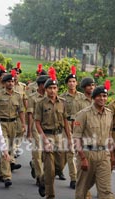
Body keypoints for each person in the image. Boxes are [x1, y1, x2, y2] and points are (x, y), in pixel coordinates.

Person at [73, 81, 115, 199]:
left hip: (104, 155)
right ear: (93, 98)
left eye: (105, 96)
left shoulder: (109, 114)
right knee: (82, 188)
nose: (102, 98)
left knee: (106, 190)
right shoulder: (83, 114)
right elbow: (76, 138)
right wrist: (82, 158)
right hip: (87, 154)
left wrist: (112, 155)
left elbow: (109, 136)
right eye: (99, 96)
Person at [34, 67, 71, 198]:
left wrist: (70, 139)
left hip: (60, 136)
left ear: (57, 89)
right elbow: (37, 122)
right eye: (50, 88)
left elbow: (66, 121)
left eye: (55, 88)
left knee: (60, 166)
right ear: (46, 89)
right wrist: (44, 139)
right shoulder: (40, 103)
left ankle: (43, 180)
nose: (52, 91)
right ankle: (50, 195)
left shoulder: (63, 103)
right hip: (47, 135)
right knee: (50, 169)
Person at [0, 73, 26, 187]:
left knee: (10, 149)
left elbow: (21, 111)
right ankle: (7, 176)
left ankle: (0, 172)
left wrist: (23, 124)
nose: (11, 83)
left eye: (12, 81)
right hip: (1, 124)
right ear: (4, 83)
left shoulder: (18, 95)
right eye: (8, 81)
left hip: (13, 124)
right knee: (4, 148)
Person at [59, 66, 85, 188]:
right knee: (70, 151)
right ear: (66, 84)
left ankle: (59, 168)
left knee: (78, 151)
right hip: (67, 124)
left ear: (77, 83)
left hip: (79, 125)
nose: (72, 83)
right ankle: (74, 178)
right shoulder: (62, 97)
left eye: (74, 81)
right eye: (69, 81)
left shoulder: (82, 97)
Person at [27, 75, 49, 186]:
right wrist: (29, 131)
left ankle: (36, 168)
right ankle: (40, 177)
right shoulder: (32, 97)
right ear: (41, 85)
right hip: (36, 126)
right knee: (38, 152)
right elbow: (30, 115)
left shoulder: (50, 96)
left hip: (48, 127)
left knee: (47, 154)